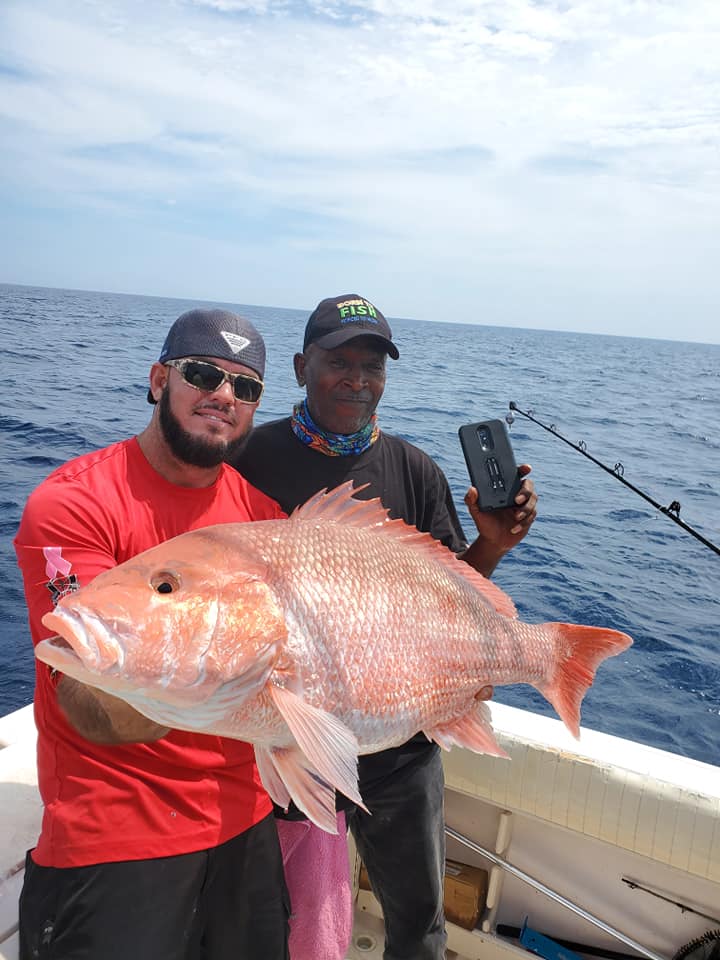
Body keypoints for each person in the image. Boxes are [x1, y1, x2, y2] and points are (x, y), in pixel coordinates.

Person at [230, 294, 538, 960]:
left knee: (418, 920)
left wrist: (493, 545)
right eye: (339, 361)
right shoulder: (249, 460)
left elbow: (453, 597)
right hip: (293, 739)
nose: (357, 378)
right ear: (299, 366)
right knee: (292, 916)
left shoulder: (415, 469)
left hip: (402, 747)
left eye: (372, 365)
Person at [14, 308, 290, 960]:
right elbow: (89, 708)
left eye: (245, 387)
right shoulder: (75, 502)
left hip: (246, 825)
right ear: (159, 378)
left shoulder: (265, 520)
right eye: (203, 374)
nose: (223, 395)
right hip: (117, 834)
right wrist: (208, 667)